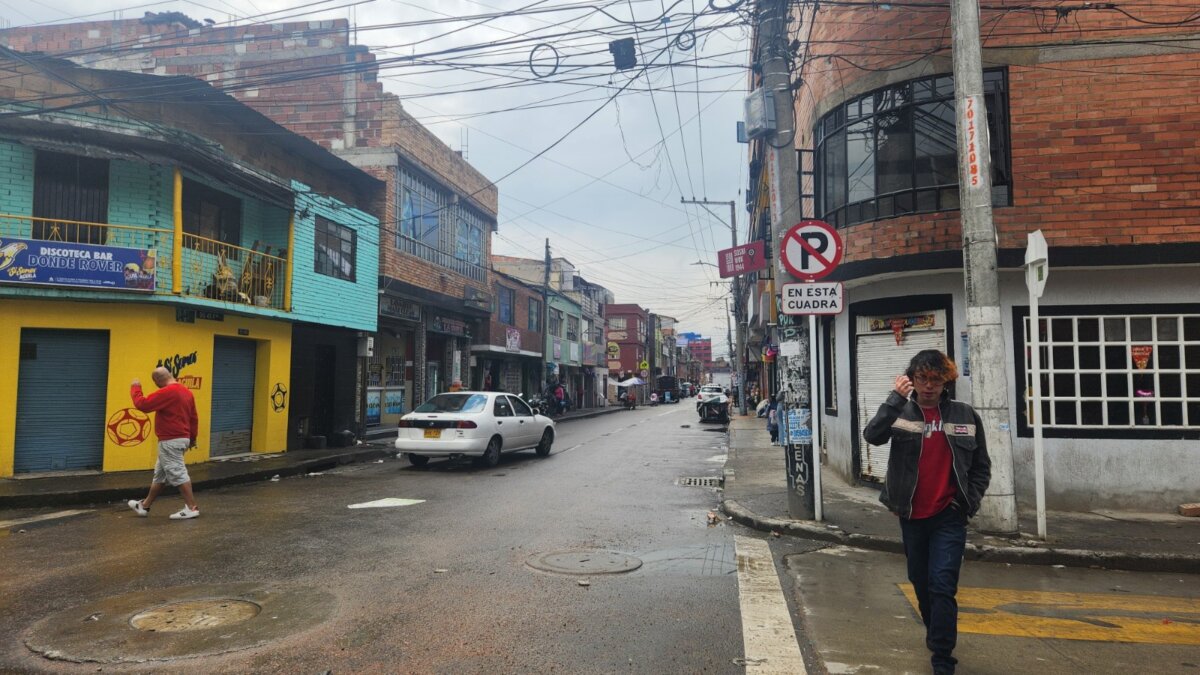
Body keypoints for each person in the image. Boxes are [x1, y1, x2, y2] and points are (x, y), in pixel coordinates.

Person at [863, 349, 991, 675]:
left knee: (942, 585)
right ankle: (936, 632)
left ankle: (943, 659)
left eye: (936, 379)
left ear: (946, 380)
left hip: (949, 516)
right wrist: (894, 398)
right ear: (912, 378)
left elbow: (981, 467)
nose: (929, 386)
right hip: (912, 516)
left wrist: (967, 502)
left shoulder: (964, 415)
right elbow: (872, 436)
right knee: (920, 583)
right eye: (922, 378)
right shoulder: (901, 411)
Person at [127, 367, 201, 520]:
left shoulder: (168, 391)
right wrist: (192, 438)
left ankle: (191, 508)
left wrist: (135, 387)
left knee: (177, 472)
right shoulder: (186, 392)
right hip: (181, 438)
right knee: (160, 476)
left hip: (170, 440)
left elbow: (142, 404)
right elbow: (194, 418)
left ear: (157, 381)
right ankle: (144, 506)